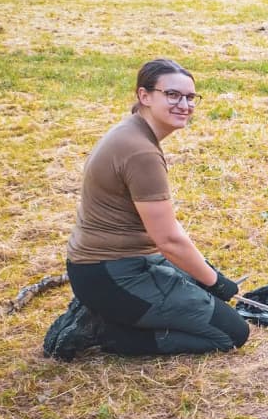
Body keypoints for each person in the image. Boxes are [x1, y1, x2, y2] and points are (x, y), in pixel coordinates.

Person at [43, 59, 250, 359]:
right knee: (231, 333)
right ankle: (104, 330)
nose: (184, 104)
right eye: (173, 95)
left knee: (199, 285)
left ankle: (113, 312)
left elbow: (166, 234)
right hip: (111, 274)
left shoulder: (131, 132)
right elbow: (168, 240)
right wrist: (215, 281)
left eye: (191, 97)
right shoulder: (141, 152)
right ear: (144, 96)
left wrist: (206, 275)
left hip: (107, 266)